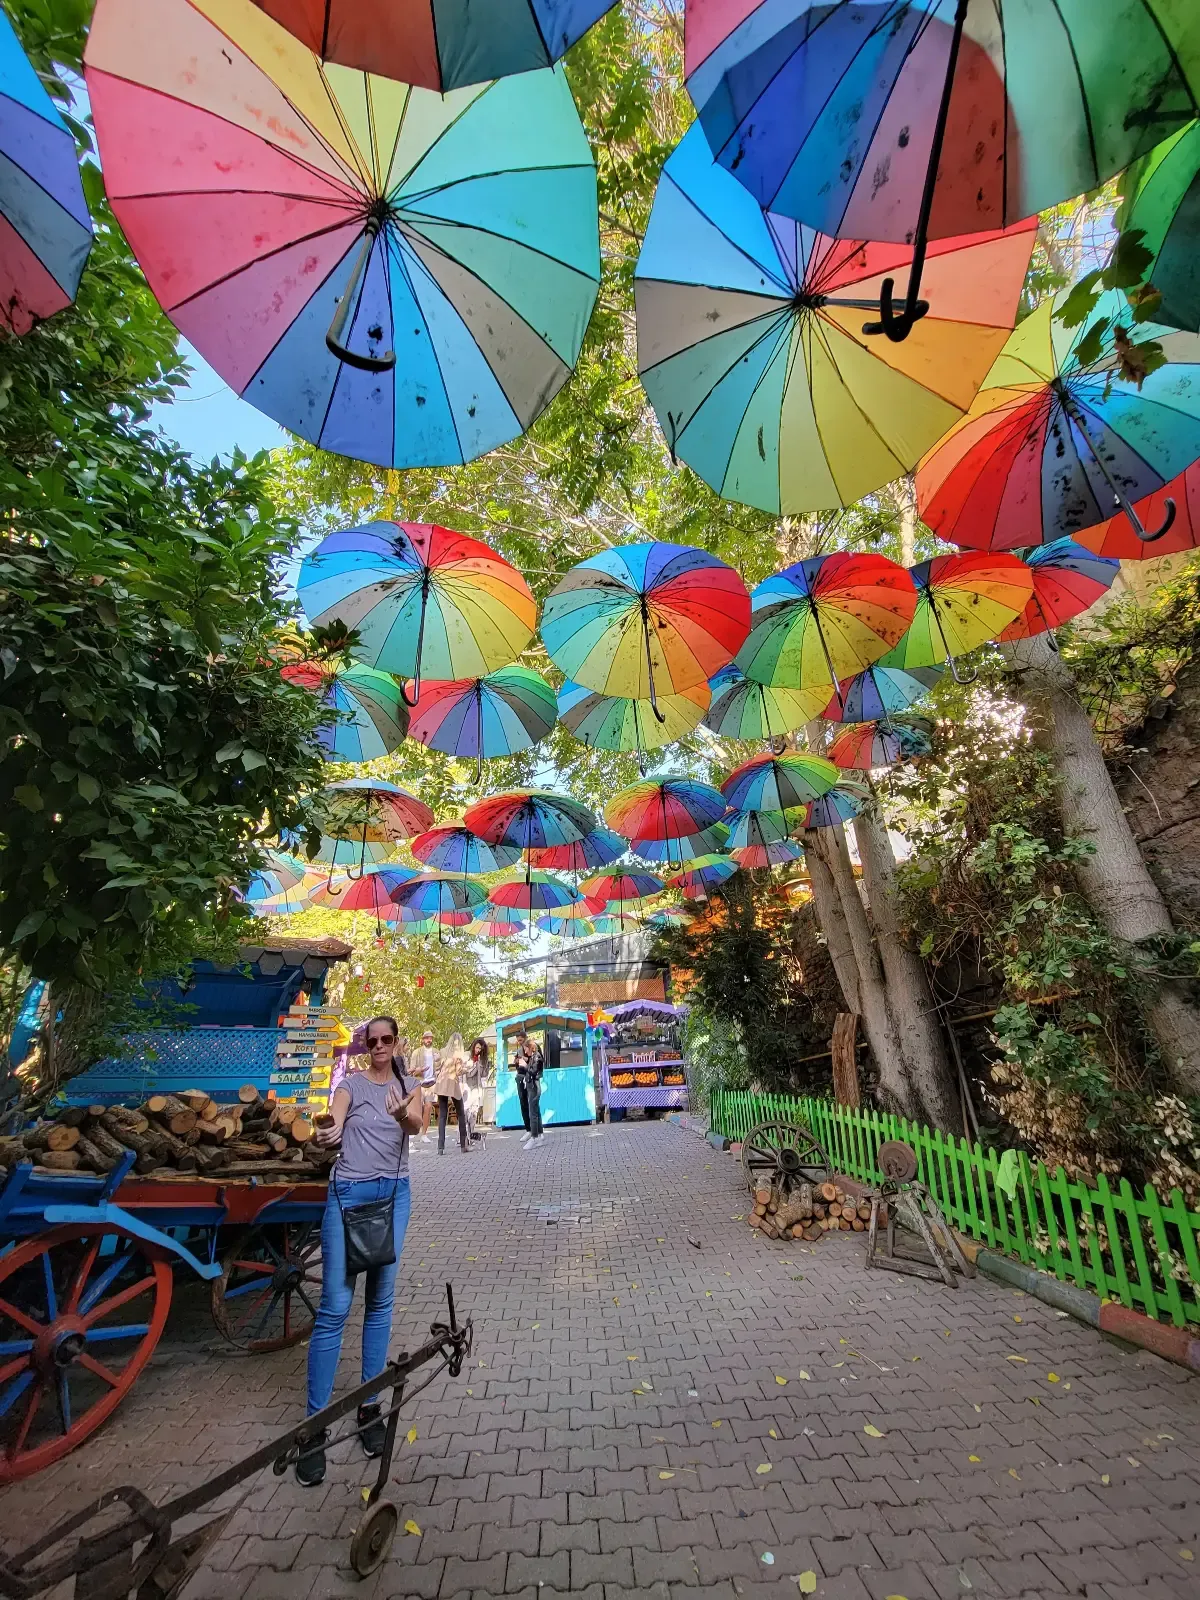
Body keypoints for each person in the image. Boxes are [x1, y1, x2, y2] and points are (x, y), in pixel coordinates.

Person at [300, 1016, 422, 1487]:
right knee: (334, 1306)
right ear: (363, 1045)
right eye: (371, 1041)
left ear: (397, 1042)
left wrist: (400, 1115)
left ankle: (369, 1407)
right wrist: (327, 1134)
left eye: (387, 1039)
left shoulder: (409, 1085)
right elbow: (331, 1120)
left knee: (380, 1303)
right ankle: (314, 1427)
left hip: (393, 1196)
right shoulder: (349, 1084)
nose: (379, 1047)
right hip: (347, 1195)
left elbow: (418, 1124)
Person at [434, 1032, 470, 1155]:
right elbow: (459, 1071)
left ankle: (440, 1147)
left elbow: (437, 1065)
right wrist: (468, 1068)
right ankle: (463, 1145)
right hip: (452, 1083)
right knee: (461, 1114)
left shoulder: (443, 1051)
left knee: (443, 1115)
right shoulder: (458, 1055)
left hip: (441, 1083)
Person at [514, 1029, 544, 1149]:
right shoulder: (531, 1056)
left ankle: (535, 1136)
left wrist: (526, 1065)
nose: (523, 1049)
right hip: (528, 1082)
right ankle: (537, 1134)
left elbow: (534, 1071)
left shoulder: (536, 1056)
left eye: (525, 1047)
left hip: (533, 1085)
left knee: (533, 1111)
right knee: (532, 1110)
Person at [412, 1026, 438, 1142]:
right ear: (423, 1040)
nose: (429, 1040)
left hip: (431, 1083)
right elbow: (411, 1069)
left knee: (428, 1107)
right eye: (426, 1038)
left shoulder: (436, 1052)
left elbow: (441, 1066)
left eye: (430, 1038)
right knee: (417, 1108)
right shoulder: (417, 1052)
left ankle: (424, 1134)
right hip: (419, 1082)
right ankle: (413, 1130)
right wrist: (420, 1069)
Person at [463, 1038, 489, 1146]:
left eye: (480, 1049)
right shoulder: (467, 1056)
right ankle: (463, 1137)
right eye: (477, 1047)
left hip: (477, 1088)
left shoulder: (482, 1059)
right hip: (467, 1087)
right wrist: (475, 1065)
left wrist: (483, 1065)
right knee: (465, 1113)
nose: (478, 1050)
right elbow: (468, 1073)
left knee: (474, 1112)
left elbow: (483, 1075)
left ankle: (471, 1136)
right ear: (473, 1046)